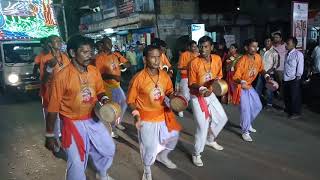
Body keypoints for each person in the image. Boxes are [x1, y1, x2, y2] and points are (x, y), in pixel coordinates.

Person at [45, 35, 115, 180]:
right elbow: (52, 109)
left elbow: (100, 90)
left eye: (91, 52)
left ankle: (102, 173)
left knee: (108, 149)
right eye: (85, 52)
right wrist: (50, 135)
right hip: (72, 124)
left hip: (93, 119)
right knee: (77, 163)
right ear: (72, 53)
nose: (90, 55)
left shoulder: (94, 71)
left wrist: (105, 99)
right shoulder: (62, 77)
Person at [127, 45, 181, 180]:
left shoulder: (164, 75)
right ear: (145, 59)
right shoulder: (138, 78)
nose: (157, 60)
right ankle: (147, 169)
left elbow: (169, 91)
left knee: (173, 137)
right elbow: (130, 100)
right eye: (153, 57)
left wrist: (174, 96)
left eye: (159, 57)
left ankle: (162, 157)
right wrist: (136, 115)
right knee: (149, 148)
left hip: (163, 115)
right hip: (146, 118)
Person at [188, 36, 228, 167]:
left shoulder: (216, 59)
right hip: (197, 96)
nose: (203, 49)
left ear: (211, 47)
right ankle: (196, 153)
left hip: (210, 93)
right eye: (201, 46)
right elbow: (191, 83)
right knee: (202, 126)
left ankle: (210, 140)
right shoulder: (194, 63)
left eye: (206, 46)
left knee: (222, 118)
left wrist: (217, 86)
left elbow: (219, 76)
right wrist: (202, 88)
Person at [233, 38, 271, 142]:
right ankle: (245, 131)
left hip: (249, 86)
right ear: (246, 48)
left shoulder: (258, 57)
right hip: (240, 87)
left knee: (258, 106)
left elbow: (261, 69)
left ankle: (247, 122)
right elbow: (235, 77)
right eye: (253, 46)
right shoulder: (241, 61)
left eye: (257, 46)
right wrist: (242, 82)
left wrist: (266, 76)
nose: (255, 48)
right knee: (246, 109)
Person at [95, 37, 130, 138]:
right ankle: (111, 129)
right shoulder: (99, 58)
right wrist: (113, 76)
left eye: (110, 42)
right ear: (102, 45)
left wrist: (125, 65)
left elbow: (127, 63)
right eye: (107, 43)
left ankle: (116, 122)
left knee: (123, 104)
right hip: (107, 86)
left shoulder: (116, 55)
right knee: (110, 108)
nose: (110, 44)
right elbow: (99, 75)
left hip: (116, 85)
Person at [40, 35, 70, 141]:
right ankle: (55, 143)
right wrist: (49, 68)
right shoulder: (45, 58)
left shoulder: (65, 57)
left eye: (60, 40)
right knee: (54, 120)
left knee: (65, 119)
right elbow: (43, 81)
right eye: (56, 41)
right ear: (50, 44)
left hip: (65, 94)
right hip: (51, 94)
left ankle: (65, 140)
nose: (59, 42)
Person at [255, 37, 280, 110]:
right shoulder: (261, 51)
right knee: (258, 89)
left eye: (269, 41)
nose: (267, 42)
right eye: (266, 41)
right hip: (261, 72)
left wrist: (270, 70)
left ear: (272, 42)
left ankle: (269, 104)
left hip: (269, 74)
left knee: (269, 90)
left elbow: (276, 64)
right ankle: (257, 102)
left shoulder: (274, 52)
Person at [283, 36, 304, 119]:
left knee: (295, 96)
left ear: (294, 44)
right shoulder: (287, 54)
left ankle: (296, 113)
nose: (286, 45)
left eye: (288, 43)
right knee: (287, 95)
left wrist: (298, 76)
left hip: (294, 78)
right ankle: (289, 110)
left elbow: (300, 66)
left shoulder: (298, 54)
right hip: (286, 78)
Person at [177, 40, 199, 117]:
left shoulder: (198, 55)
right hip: (185, 77)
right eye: (193, 46)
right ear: (189, 47)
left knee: (195, 95)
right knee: (185, 95)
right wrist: (188, 67)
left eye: (196, 46)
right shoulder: (184, 55)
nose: (195, 48)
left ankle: (195, 110)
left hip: (195, 78)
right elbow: (179, 67)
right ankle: (180, 109)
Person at [273, 33, 287, 99]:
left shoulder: (284, 45)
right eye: (274, 37)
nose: (275, 38)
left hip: (281, 68)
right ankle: (277, 96)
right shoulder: (272, 46)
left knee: (281, 84)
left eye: (277, 37)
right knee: (274, 84)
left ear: (281, 38)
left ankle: (281, 97)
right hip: (273, 69)